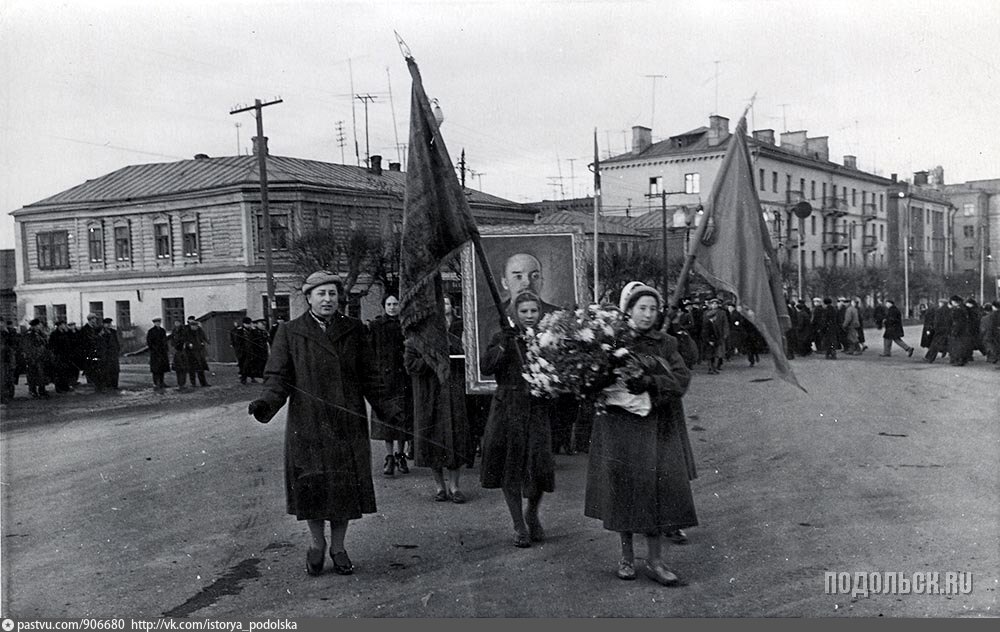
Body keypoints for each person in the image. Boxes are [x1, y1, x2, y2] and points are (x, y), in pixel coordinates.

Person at [248, 271, 402, 577]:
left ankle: (339, 547)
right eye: (321, 294)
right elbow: (277, 376)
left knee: (343, 490)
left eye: (332, 294)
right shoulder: (290, 332)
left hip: (346, 422)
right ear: (308, 298)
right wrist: (266, 402)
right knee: (313, 487)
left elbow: (371, 376)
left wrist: (390, 409)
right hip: (308, 423)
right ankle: (317, 544)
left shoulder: (354, 330)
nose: (328, 300)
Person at [585, 282, 697, 586]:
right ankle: (626, 556)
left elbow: (681, 380)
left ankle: (656, 560)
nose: (647, 314)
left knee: (655, 492)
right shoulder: (610, 341)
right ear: (629, 311)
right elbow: (592, 377)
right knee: (625, 489)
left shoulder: (667, 344)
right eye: (641, 308)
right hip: (621, 428)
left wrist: (650, 381)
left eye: (652, 308)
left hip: (656, 427)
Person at [480, 291, 555, 548]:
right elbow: (486, 367)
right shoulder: (502, 337)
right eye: (524, 312)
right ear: (515, 313)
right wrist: (503, 346)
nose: (530, 316)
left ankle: (532, 513)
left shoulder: (548, 338)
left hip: (536, 408)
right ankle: (518, 524)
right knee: (510, 467)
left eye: (534, 311)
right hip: (508, 408)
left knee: (540, 465)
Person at [405, 321, 474, 503]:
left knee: (455, 440)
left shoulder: (454, 340)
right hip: (429, 397)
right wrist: (433, 359)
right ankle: (439, 487)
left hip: (452, 395)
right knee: (433, 441)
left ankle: (454, 486)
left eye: (448, 314)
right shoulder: (414, 341)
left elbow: (466, 364)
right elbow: (410, 365)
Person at [368, 294, 413, 477]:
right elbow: (370, 351)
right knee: (386, 420)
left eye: (395, 304)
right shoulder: (376, 326)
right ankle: (389, 456)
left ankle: (401, 454)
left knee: (402, 419)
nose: (392, 307)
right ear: (383, 306)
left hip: (403, 379)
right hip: (384, 380)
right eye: (389, 304)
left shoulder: (406, 326)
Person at [497, 253, 562, 317]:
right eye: (518, 277)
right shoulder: (492, 315)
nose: (527, 283)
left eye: (535, 276)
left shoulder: (559, 315)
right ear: (505, 283)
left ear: (542, 281)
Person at [174, 316, 210, 388]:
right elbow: (183, 339)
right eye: (193, 325)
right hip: (190, 353)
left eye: (195, 326)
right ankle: (193, 383)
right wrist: (188, 344)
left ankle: (203, 383)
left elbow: (203, 336)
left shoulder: (199, 330)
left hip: (199, 351)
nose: (195, 327)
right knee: (191, 369)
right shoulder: (186, 330)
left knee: (201, 368)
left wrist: (205, 341)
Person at [22, 319, 51, 399]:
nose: (40, 326)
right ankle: (33, 391)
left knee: (41, 375)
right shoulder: (29, 334)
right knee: (33, 375)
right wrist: (31, 357)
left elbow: (45, 343)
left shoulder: (40, 333)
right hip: (33, 358)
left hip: (41, 357)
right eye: (38, 325)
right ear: (34, 326)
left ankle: (42, 390)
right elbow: (28, 347)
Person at [701, 297, 729, 374]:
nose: (714, 305)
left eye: (716, 304)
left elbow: (725, 324)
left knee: (718, 351)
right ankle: (712, 368)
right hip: (710, 336)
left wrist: (725, 333)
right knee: (712, 353)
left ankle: (716, 366)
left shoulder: (722, 313)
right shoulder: (706, 313)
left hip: (719, 334)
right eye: (713, 304)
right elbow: (704, 325)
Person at [48, 321, 76, 392]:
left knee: (66, 372)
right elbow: (52, 345)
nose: (65, 326)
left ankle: (65, 386)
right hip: (58, 356)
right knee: (59, 372)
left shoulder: (65, 333)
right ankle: (59, 387)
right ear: (59, 325)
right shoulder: (54, 334)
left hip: (66, 355)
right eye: (63, 324)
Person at [923, 298, 951, 363]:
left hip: (941, 330)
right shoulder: (946, 310)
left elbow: (938, 320)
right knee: (940, 343)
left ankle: (929, 358)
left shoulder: (941, 310)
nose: (939, 303)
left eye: (940, 302)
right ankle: (944, 352)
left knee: (935, 344)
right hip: (943, 329)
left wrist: (934, 327)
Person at [146, 317, 171, 390]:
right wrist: (153, 349)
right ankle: (156, 383)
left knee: (162, 368)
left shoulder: (162, 330)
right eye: (156, 322)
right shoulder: (151, 331)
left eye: (159, 322)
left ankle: (162, 382)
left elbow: (165, 340)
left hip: (162, 352)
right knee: (155, 369)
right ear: (154, 323)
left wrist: (166, 349)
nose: (158, 324)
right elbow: (149, 342)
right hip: (155, 352)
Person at [101, 318, 121, 389]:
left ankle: (115, 385)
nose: (109, 325)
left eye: (110, 323)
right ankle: (108, 385)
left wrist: (118, 349)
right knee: (108, 370)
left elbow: (116, 342)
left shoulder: (113, 332)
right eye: (107, 323)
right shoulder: (102, 333)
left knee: (115, 370)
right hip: (107, 355)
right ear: (104, 324)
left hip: (114, 354)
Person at [231, 317, 252, 384]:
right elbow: (237, 341)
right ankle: (243, 379)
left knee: (248, 365)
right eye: (247, 324)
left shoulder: (250, 330)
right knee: (243, 365)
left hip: (249, 350)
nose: (249, 325)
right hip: (242, 351)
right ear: (244, 324)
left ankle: (247, 378)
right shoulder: (239, 331)